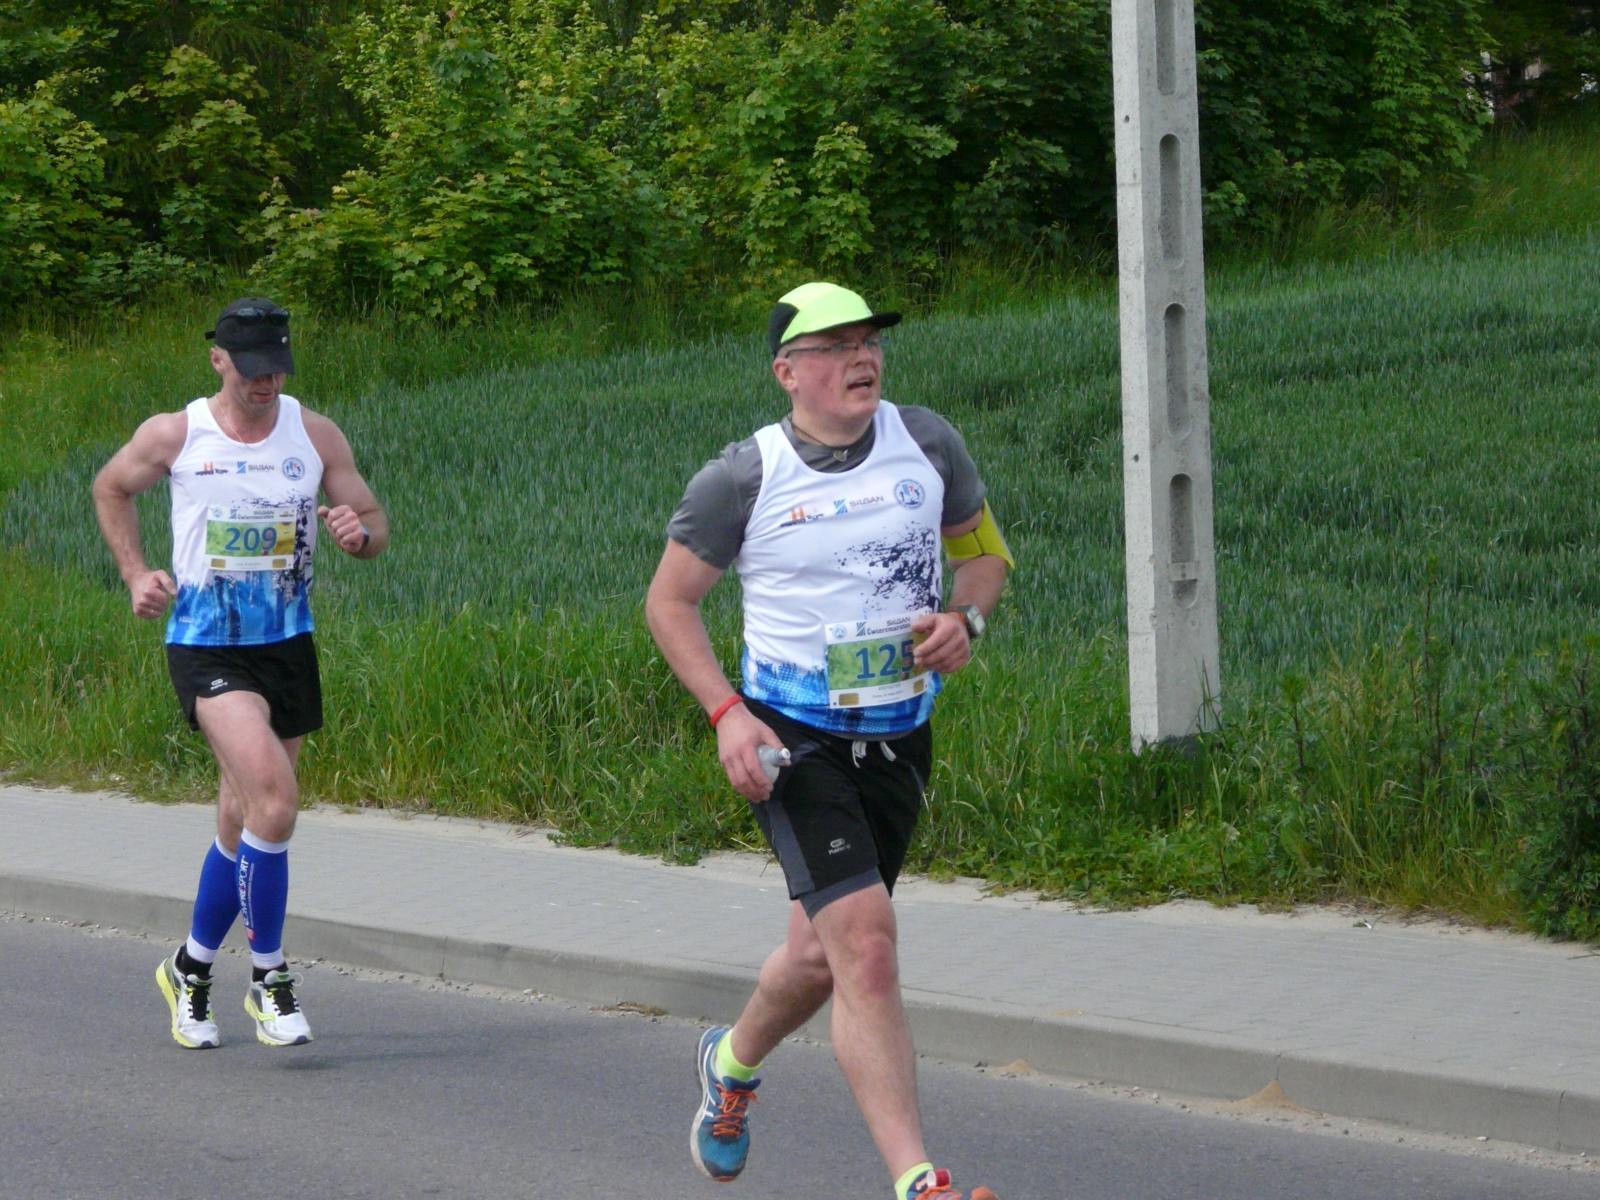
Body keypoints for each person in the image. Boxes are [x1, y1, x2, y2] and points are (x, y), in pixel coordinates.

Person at [645, 282, 1013, 1200]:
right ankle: (918, 1180)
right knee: (869, 948)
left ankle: (729, 1063)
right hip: (794, 743)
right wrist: (728, 714)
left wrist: (966, 618)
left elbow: (984, 555)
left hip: (900, 736)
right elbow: (669, 603)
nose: (862, 358)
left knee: (820, 958)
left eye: (870, 342)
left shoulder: (927, 443)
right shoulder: (743, 477)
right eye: (837, 346)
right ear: (788, 372)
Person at [91, 297, 388, 1049]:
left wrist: (357, 534)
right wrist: (135, 573)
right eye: (253, 369)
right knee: (275, 802)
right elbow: (110, 487)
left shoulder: (314, 434)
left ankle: (189, 971)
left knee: (242, 818)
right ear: (218, 359)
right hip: (207, 646)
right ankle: (269, 978)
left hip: (286, 645)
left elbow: (373, 520)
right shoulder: (176, 433)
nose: (267, 382)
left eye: (278, 368)